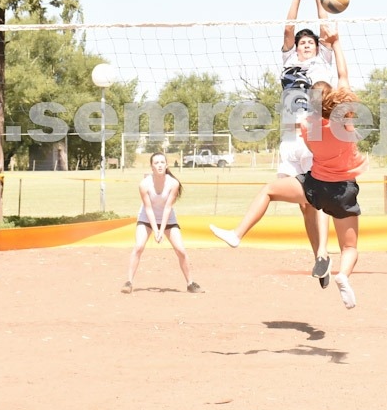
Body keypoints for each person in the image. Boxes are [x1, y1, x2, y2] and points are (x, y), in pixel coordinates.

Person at [211, 29, 366, 309]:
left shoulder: (307, 128)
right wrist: (338, 43)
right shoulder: (345, 120)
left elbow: (311, 104)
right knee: (350, 247)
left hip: (316, 186)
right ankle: (342, 274)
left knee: (269, 191)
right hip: (344, 189)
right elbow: (342, 75)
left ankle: (238, 234)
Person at [279, 0, 337, 287]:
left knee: (320, 198)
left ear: (316, 48)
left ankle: (324, 252)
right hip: (290, 139)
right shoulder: (288, 60)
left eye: (309, 43)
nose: (304, 45)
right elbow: (288, 29)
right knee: (304, 205)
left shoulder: (323, 63)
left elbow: (326, 30)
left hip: (315, 136)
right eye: (301, 43)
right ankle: (319, 260)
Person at [122, 152, 203, 295]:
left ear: (166, 165)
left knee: (181, 250)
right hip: (146, 217)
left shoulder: (173, 183)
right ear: (151, 167)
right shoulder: (144, 184)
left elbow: (167, 208)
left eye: (162, 162)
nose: (159, 165)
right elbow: (148, 208)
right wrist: (155, 229)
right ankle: (129, 282)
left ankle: (190, 283)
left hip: (168, 218)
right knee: (139, 246)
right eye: (156, 163)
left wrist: (161, 230)